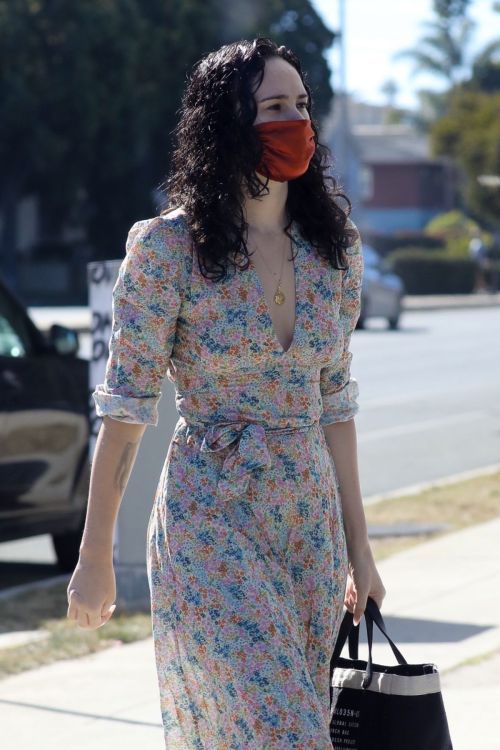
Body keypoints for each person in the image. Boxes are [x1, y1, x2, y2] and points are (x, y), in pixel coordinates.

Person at [66, 37, 386, 749]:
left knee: (264, 730)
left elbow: (336, 403)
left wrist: (361, 550)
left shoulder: (334, 252)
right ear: (227, 123)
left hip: (308, 524)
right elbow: (125, 411)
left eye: (301, 106)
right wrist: (93, 557)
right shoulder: (168, 251)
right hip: (210, 518)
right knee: (285, 732)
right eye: (274, 107)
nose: (294, 122)